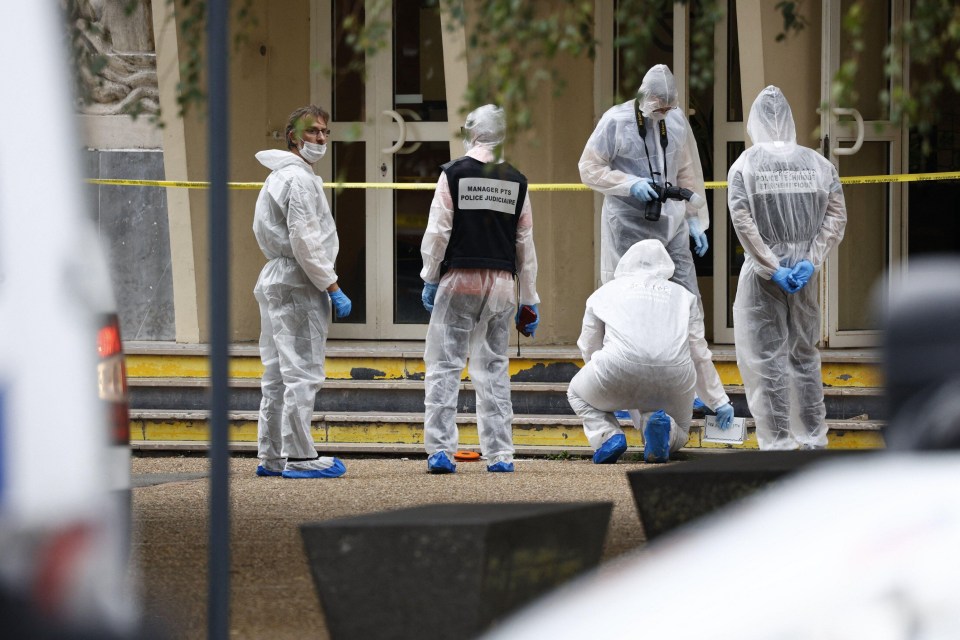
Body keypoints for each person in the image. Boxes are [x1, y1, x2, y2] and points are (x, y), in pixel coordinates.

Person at [579, 64, 724, 413]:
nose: (663, 114)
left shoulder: (675, 122)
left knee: (687, 300)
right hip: (627, 224)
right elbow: (589, 168)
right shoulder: (615, 121)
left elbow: (687, 172)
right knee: (623, 302)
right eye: (657, 108)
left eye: (668, 108)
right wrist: (630, 184)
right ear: (644, 99)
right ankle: (619, 390)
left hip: (670, 224)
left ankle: (695, 390)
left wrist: (694, 219)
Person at [420, 104, 540, 474]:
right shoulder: (516, 180)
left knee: (444, 366)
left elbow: (438, 231)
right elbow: (525, 244)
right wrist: (530, 299)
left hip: (459, 281)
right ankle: (501, 454)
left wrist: (429, 276)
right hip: (502, 286)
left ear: (470, 132)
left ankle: (441, 451)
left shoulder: (454, 175)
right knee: (493, 369)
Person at [728, 86, 847, 450]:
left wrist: (770, 265)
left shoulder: (746, 165)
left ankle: (778, 443)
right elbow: (836, 215)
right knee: (804, 355)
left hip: (764, 279)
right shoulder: (818, 164)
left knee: (768, 361)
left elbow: (743, 221)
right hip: (804, 276)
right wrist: (810, 261)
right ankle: (813, 438)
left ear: (755, 121)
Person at [567, 239, 734, 464]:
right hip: (674, 375)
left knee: (577, 394)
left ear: (626, 263)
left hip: (616, 366)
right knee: (680, 428)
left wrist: (604, 377)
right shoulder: (684, 295)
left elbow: (588, 344)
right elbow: (698, 353)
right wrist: (719, 400)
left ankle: (607, 436)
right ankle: (664, 431)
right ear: (665, 266)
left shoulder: (604, 292)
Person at [252, 104, 352, 478]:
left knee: (277, 372)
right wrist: (332, 284)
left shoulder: (279, 176)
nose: (320, 138)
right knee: (302, 371)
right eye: (312, 132)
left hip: (279, 278)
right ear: (292, 135)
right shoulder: (299, 180)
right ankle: (300, 457)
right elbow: (305, 239)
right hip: (298, 281)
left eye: (325, 132)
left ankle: (272, 455)